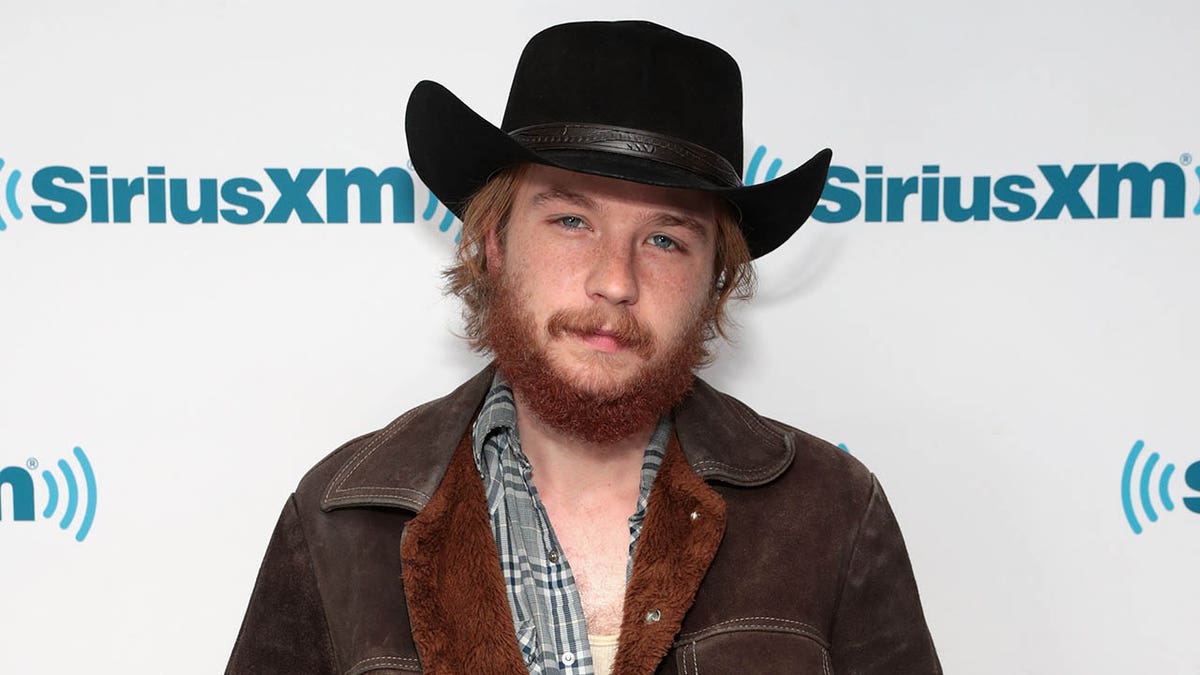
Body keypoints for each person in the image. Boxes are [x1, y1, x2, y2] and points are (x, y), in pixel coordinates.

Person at [227, 20, 941, 675]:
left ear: (715, 280)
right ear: (495, 241)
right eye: (572, 220)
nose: (615, 280)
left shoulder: (830, 511)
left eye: (665, 239)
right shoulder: (342, 519)